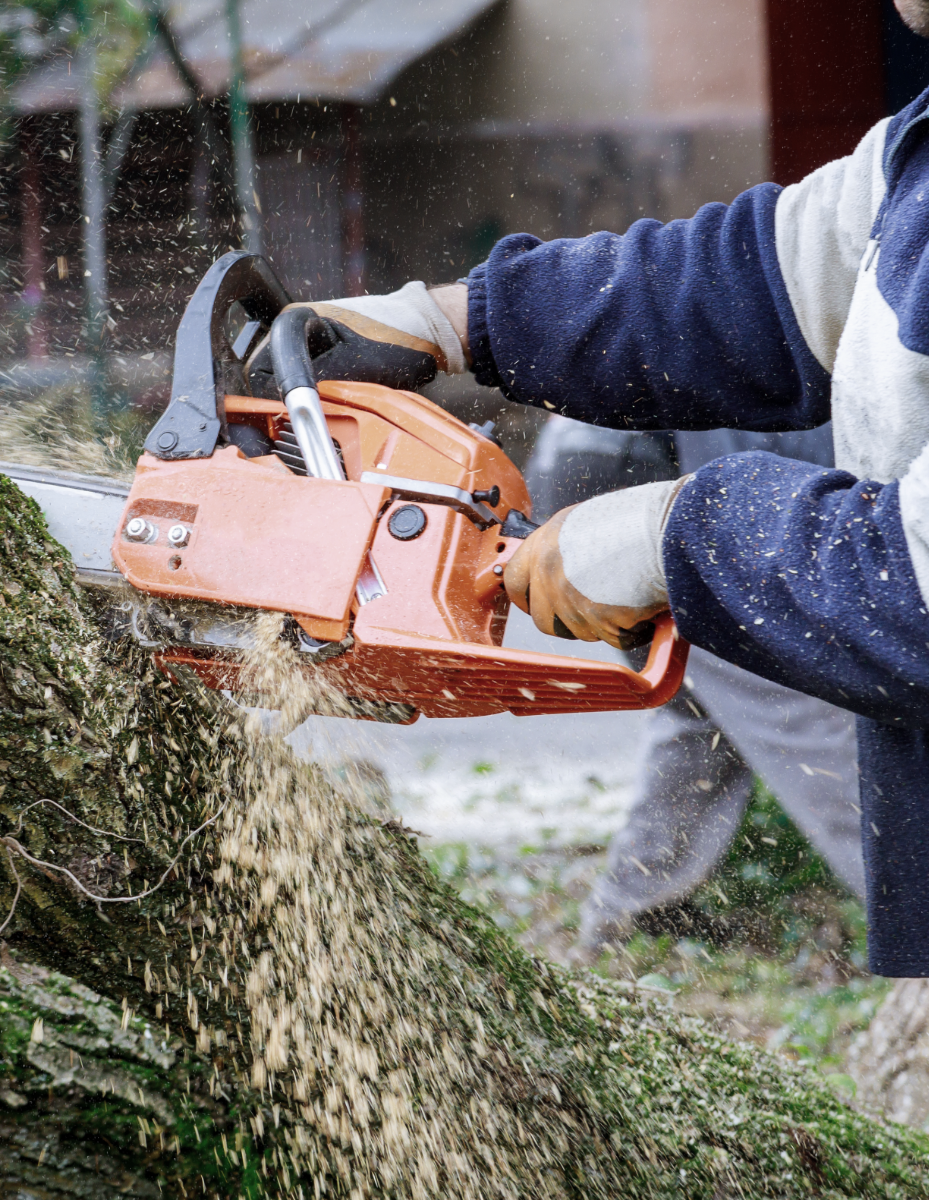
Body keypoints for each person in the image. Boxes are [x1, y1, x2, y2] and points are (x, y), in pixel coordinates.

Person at [275, 0, 929, 977]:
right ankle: (639, 908)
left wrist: (676, 541)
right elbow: (759, 277)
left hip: (730, 503)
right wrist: (459, 321)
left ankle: (663, 907)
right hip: (659, 470)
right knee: (713, 689)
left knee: (770, 693)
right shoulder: (915, 159)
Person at [525, 420, 865, 954]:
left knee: (696, 709)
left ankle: (630, 913)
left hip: (590, 471)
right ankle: (912, 908)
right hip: (632, 488)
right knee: (792, 709)